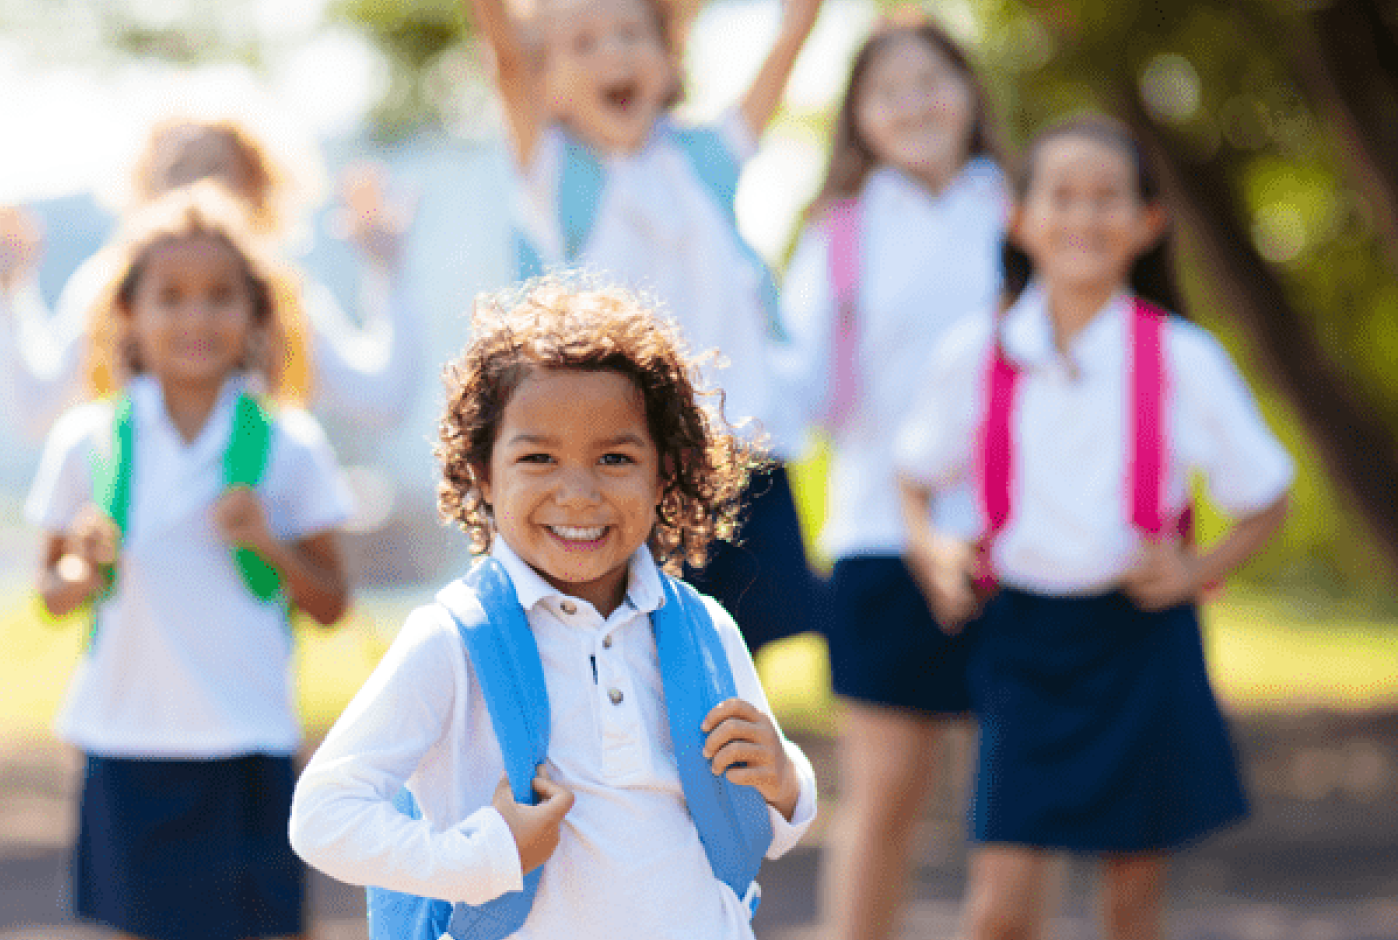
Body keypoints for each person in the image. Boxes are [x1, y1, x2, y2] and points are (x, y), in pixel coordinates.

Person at [289, 278, 818, 938]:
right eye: (538, 457)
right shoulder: (453, 639)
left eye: (614, 458)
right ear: (483, 473)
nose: (577, 493)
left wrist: (786, 779)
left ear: (665, 473)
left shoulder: (704, 629)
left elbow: (768, 819)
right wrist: (482, 858)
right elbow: (324, 815)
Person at [895, 114, 1293, 940]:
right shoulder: (977, 351)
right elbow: (913, 475)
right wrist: (932, 550)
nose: (1084, 215)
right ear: (1020, 218)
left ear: (1148, 222)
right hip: (1021, 642)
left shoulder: (1182, 356)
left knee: (1132, 903)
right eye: (1063, 196)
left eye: (1108, 197)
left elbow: (1265, 495)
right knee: (1000, 909)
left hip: (1140, 641)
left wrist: (1195, 570)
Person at [25, 181, 355, 940]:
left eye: (220, 296)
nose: (196, 317)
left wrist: (268, 543)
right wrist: (81, 570)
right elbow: (50, 594)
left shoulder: (289, 445)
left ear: (257, 314)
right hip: (126, 748)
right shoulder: (87, 443)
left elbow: (332, 603)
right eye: (170, 297)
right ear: (128, 314)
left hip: (247, 749)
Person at [461, 0, 826, 652]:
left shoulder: (706, 157)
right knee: (642, 649)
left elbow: (786, 47)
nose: (614, 53)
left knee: (741, 649)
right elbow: (508, 60)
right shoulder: (555, 171)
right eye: (584, 44)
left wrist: (800, 19)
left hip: (741, 450)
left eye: (632, 34)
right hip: (627, 469)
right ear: (547, 81)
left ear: (668, 58)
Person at [775, 11, 1010, 939]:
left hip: (1022, 543)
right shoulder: (838, 231)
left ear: (969, 92)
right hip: (878, 538)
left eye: (930, 81)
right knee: (887, 796)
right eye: (887, 92)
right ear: (858, 118)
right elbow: (798, 396)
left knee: (1016, 809)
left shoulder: (1022, 208)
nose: (913, 105)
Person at [0, 114, 418, 443]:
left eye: (211, 169)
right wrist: (10, 291)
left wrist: (387, 269)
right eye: (175, 169)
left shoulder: (282, 293)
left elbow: (382, 400)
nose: (193, 193)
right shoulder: (106, 289)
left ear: (256, 187)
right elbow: (32, 411)